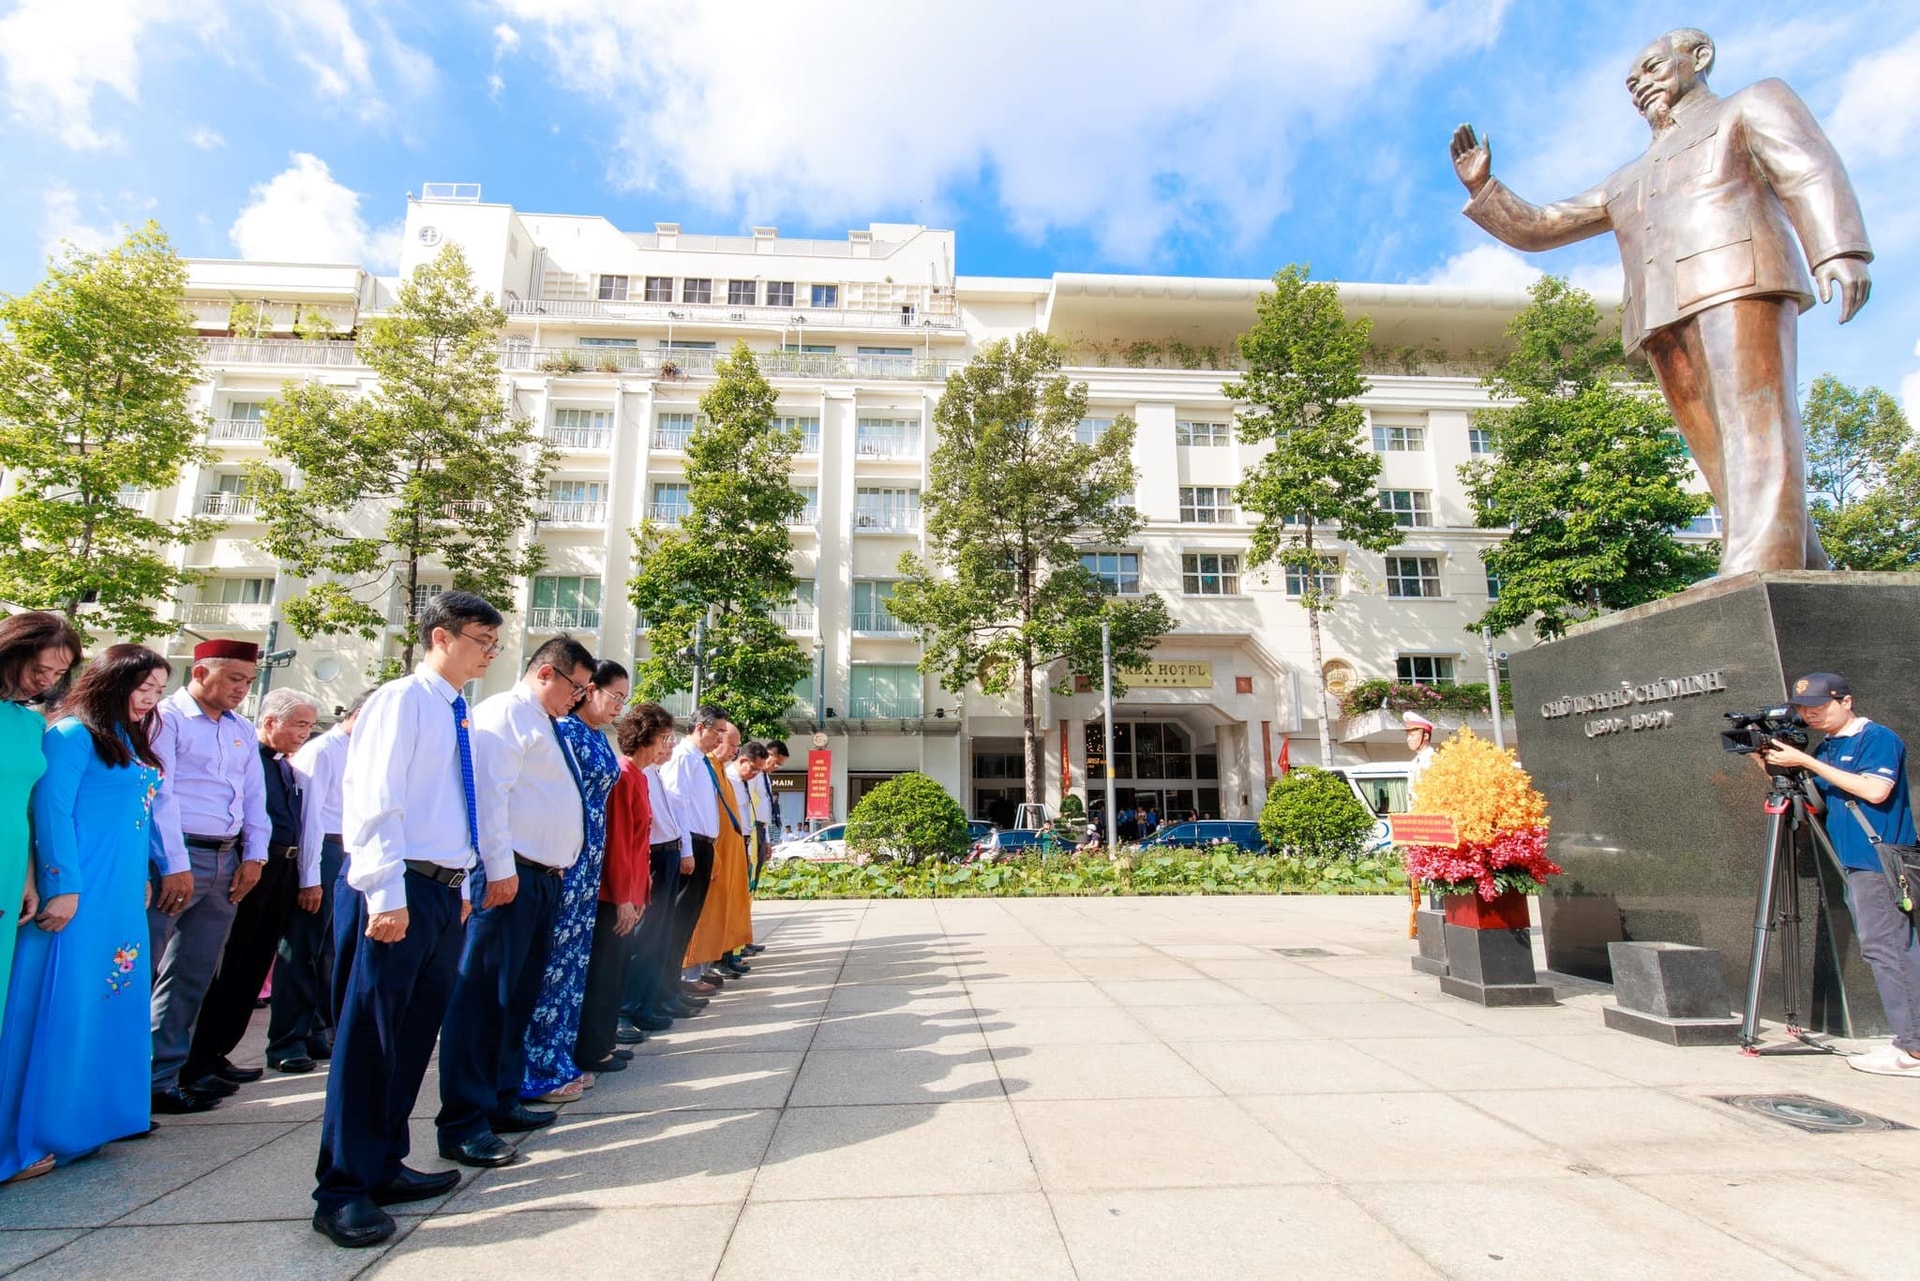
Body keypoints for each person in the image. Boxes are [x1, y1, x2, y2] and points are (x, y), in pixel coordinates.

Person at [1449, 27, 1871, 573]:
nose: (1639, 86)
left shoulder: (1749, 105)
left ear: (1700, 57)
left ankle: (1763, 556)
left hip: (1737, 278)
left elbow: (1809, 167)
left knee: (1755, 423)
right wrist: (1484, 188)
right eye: (1630, 82)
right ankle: (1800, 560)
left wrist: (1838, 248)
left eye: (1650, 69)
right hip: (1660, 314)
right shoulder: (1628, 177)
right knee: (1715, 446)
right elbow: (1543, 224)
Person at [312, 591, 502, 1249]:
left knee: (413, 1035)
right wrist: (384, 891)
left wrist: (464, 878)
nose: (491, 651)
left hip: (441, 890)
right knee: (371, 1039)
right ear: (442, 637)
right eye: (483, 638)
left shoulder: (457, 712)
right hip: (397, 890)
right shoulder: (401, 700)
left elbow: (451, 805)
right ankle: (342, 1189)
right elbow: (373, 799)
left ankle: (384, 1162)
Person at [0, 645, 170, 1183]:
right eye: (142, 686)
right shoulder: (72, 734)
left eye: (159, 690)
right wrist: (61, 886)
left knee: (110, 1002)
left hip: (120, 895)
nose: (150, 698)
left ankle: (91, 1122)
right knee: (61, 1006)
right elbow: (50, 811)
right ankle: (34, 1133)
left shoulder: (126, 739)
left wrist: (143, 875)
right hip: (78, 893)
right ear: (109, 681)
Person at [436, 636, 595, 1167]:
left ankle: (503, 1095)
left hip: (544, 878)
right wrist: (498, 870)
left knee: (518, 996)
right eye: (578, 686)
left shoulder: (547, 723)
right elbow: (490, 796)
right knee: (484, 999)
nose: (580, 697)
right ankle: (463, 1120)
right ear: (547, 673)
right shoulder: (505, 714)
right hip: (511, 878)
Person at [1759, 673, 1920, 1077]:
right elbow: (1815, 800)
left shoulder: (1876, 738)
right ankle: (1909, 1039)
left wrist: (1806, 760)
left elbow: (1875, 791)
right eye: (1803, 708)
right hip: (1856, 862)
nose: (1809, 713)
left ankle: (1914, 1047)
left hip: (1879, 861)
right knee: (1885, 949)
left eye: (1819, 705)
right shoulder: (1830, 746)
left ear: (1845, 701)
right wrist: (1765, 755)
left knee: (1891, 950)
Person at [147, 639, 270, 1115]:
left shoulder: (241, 728)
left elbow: (253, 799)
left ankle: (164, 1077)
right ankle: (122, 1078)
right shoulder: (166, 719)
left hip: (226, 860)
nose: (243, 689)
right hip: (174, 859)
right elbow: (161, 795)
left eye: (248, 680)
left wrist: (254, 856)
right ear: (200, 673)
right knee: (143, 967)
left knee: (193, 973)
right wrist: (174, 864)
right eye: (234, 678)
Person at [182, 688, 320, 1094]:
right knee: (229, 963)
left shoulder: (284, 767)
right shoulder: (248, 760)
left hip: (284, 870)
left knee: (256, 963)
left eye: (309, 726)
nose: (304, 733)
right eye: (298, 724)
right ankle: (197, 1056)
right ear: (271, 721)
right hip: (251, 867)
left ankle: (219, 1050)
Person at [522, 659, 628, 1096]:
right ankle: (539, 1066)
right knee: (552, 966)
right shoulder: (564, 731)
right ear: (589, 689)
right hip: (566, 860)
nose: (620, 705)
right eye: (615, 695)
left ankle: (563, 1058)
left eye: (625, 698)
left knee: (574, 967)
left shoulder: (597, 737)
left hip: (590, 862)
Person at [269, 688, 373, 1073]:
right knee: (303, 949)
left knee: (331, 950)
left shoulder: (363, 750)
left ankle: (317, 1028)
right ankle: (286, 1039)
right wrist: (309, 877)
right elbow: (310, 819)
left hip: (348, 850)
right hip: (323, 851)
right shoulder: (324, 750)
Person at [0, 612, 82, 1041]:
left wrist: (28, 879)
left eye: (58, 673)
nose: (46, 681)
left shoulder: (32, 721)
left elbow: (28, 808)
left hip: (10, 870)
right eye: (39, 669)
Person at [579, 702, 673, 1070]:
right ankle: (594, 1047)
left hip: (630, 890)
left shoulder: (640, 776)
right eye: (664, 738)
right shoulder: (624, 775)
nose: (667, 745)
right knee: (605, 971)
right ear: (647, 737)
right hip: (615, 895)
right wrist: (623, 898)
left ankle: (605, 1040)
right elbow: (618, 843)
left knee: (616, 970)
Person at [619, 707, 696, 1038]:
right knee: (644, 937)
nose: (669, 747)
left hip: (666, 853)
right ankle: (628, 1006)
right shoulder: (632, 772)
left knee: (659, 936)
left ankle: (650, 999)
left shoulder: (653, 772)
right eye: (665, 739)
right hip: (650, 857)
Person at [661, 705, 731, 1005]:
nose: (720, 739)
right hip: (690, 848)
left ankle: (673, 986)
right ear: (700, 727)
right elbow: (679, 808)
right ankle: (668, 987)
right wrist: (687, 851)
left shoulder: (701, 761)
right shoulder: (682, 758)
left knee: (687, 921)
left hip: (703, 846)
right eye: (718, 732)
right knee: (677, 922)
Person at [688, 727, 753, 982]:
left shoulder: (718, 768)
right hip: (709, 849)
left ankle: (708, 965)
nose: (735, 751)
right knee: (703, 915)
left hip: (725, 851)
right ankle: (692, 973)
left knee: (721, 913)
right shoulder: (700, 764)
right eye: (731, 744)